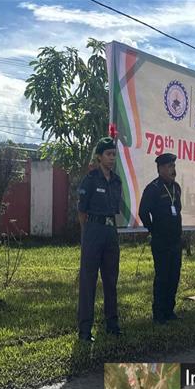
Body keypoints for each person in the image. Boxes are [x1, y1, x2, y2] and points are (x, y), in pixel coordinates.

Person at [77, 137, 122, 342]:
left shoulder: (116, 181)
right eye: (108, 154)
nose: (112, 158)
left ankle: (112, 324)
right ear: (99, 157)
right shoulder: (91, 179)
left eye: (114, 154)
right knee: (88, 281)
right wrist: (87, 234)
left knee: (111, 279)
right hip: (93, 230)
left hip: (111, 231)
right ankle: (85, 330)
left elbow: (115, 209)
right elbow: (81, 211)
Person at [139, 153, 183, 325]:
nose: (173, 170)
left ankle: (169, 310)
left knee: (174, 276)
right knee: (162, 277)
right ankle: (158, 313)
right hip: (161, 241)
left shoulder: (176, 188)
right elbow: (143, 212)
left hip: (175, 240)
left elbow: (177, 209)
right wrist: (153, 229)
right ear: (161, 169)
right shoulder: (153, 188)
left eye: (174, 166)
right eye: (170, 166)